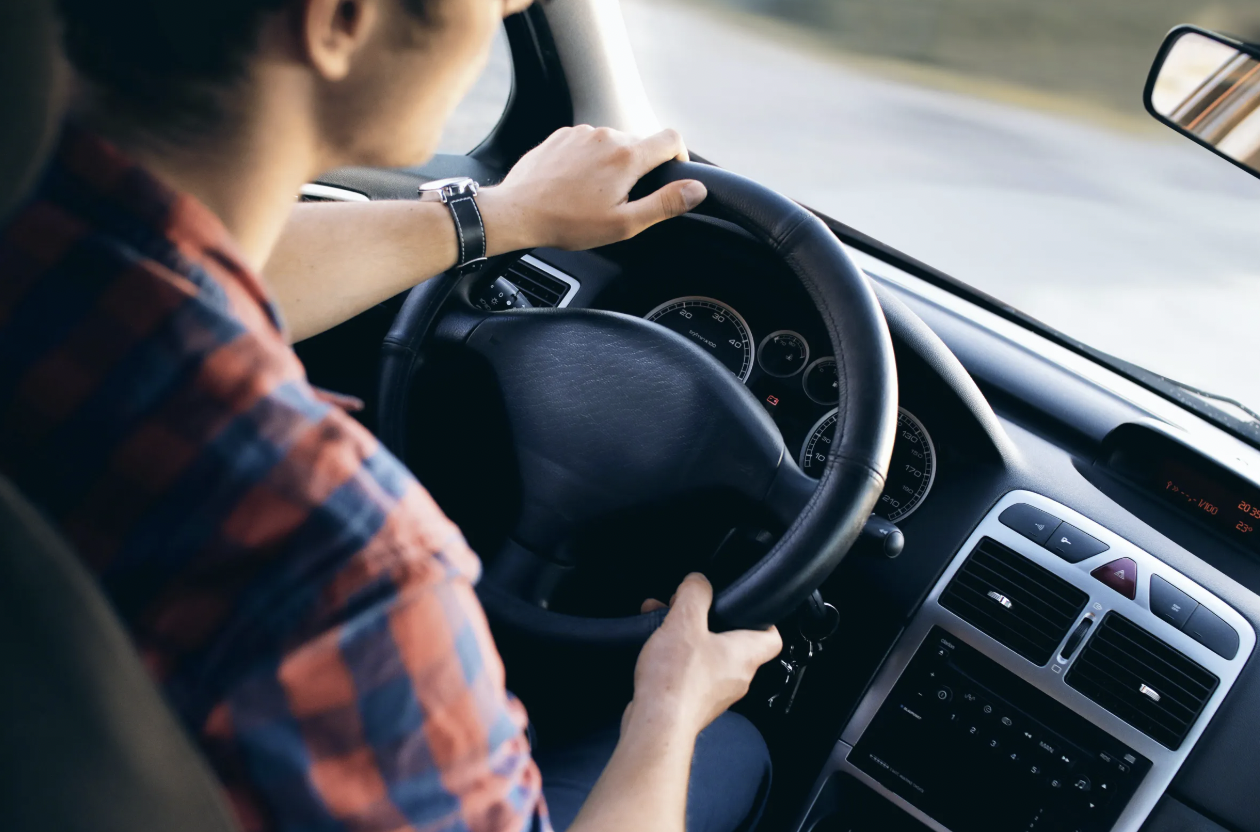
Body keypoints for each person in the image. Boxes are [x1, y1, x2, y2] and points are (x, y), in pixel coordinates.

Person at [0, 1, 784, 831]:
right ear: (338, 19)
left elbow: (198, 267)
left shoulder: (39, 236)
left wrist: (502, 214)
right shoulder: (343, 564)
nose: (516, 4)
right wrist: (668, 707)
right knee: (726, 748)